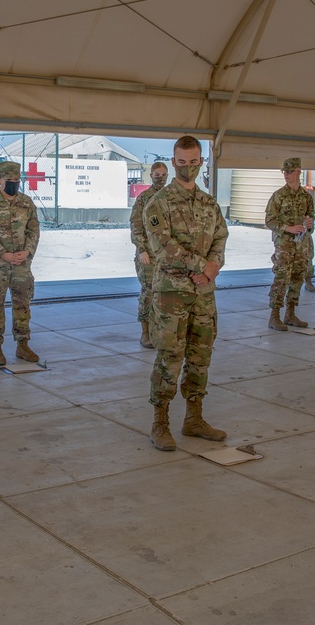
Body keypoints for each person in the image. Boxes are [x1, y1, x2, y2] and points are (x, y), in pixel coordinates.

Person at [144, 135, 229, 451]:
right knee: (170, 357)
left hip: (204, 293)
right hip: (172, 296)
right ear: (173, 161)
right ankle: (160, 423)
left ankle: (194, 418)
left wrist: (214, 265)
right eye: (182, 162)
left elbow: (221, 236)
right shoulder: (159, 204)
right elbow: (162, 247)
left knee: (200, 357)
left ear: (201, 162)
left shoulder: (209, 203)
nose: (188, 168)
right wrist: (201, 264)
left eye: (194, 162)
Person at [0, 161, 40, 366]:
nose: (13, 184)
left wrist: (27, 251)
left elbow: (34, 229)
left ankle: (23, 345)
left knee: (23, 304)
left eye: (16, 180)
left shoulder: (26, 202)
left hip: (21, 264)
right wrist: (3, 254)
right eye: (9, 180)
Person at [264, 157, 315, 330]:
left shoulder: (306, 197)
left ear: (298, 172)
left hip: (301, 245)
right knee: (281, 278)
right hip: (284, 245)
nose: (286, 175)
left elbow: (311, 218)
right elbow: (269, 220)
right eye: (284, 171)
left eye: (290, 171)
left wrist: (309, 224)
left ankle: (290, 314)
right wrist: (288, 228)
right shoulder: (278, 196)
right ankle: (274, 316)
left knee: (297, 278)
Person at [130, 162, 169, 348]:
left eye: (163, 174)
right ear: (151, 175)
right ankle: (145, 333)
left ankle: (160, 332)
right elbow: (136, 225)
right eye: (157, 174)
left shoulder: (170, 197)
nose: (160, 177)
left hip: (168, 255)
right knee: (149, 293)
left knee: (166, 295)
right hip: (149, 255)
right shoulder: (144, 198)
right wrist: (141, 249)